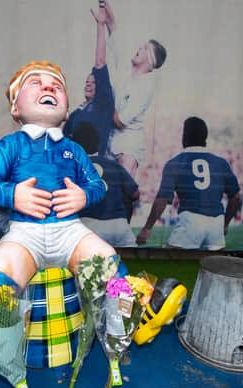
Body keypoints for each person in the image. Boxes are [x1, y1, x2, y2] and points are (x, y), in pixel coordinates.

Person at [0, 60, 126, 369]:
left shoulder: (74, 149)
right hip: (24, 234)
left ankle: (128, 325)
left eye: (56, 85)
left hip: (70, 232)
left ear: (67, 111)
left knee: (109, 262)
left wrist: (83, 195)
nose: (49, 87)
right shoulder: (11, 144)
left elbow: (97, 185)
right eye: (35, 83)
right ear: (16, 108)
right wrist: (13, 194)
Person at [136, 117, 241, 250]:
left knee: (172, 261)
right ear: (205, 137)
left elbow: (162, 199)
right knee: (213, 266)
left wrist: (147, 228)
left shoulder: (175, 163)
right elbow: (236, 196)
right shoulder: (221, 163)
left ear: (184, 136)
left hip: (190, 221)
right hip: (216, 222)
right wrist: (225, 224)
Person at [100, 0, 167, 177]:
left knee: (123, 195)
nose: (139, 47)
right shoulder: (125, 68)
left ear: (150, 60)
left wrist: (104, 100)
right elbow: (113, 27)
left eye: (145, 48)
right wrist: (104, 5)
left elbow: (120, 121)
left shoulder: (145, 88)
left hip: (127, 147)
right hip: (109, 142)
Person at [71, 122, 140, 247]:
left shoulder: (73, 168)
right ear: (98, 144)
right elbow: (135, 194)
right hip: (119, 226)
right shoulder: (113, 165)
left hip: (89, 227)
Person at [64, 6, 114, 157]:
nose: (88, 84)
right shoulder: (74, 114)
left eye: (94, 82)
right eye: (87, 82)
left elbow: (100, 61)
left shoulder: (103, 103)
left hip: (94, 165)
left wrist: (100, 26)